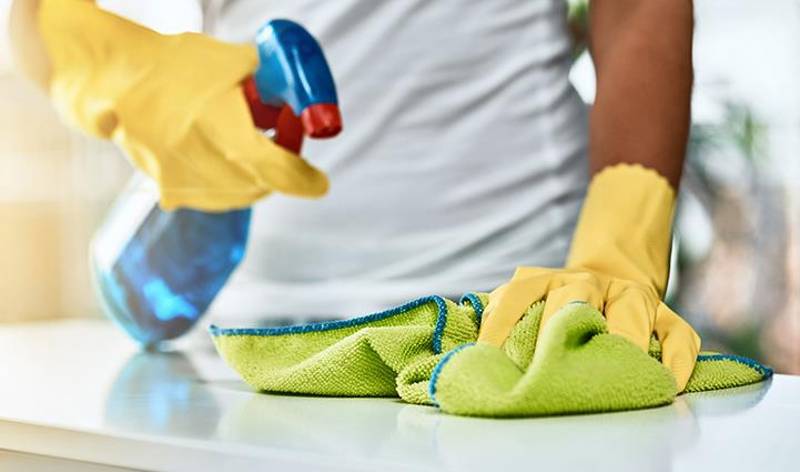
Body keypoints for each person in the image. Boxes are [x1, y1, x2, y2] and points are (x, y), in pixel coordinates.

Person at [7, 0, 700, 391]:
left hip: (500, 331)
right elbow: (30, 20)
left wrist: (620, 239)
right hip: (243, 351)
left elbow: (640, 10)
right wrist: (131, 73)